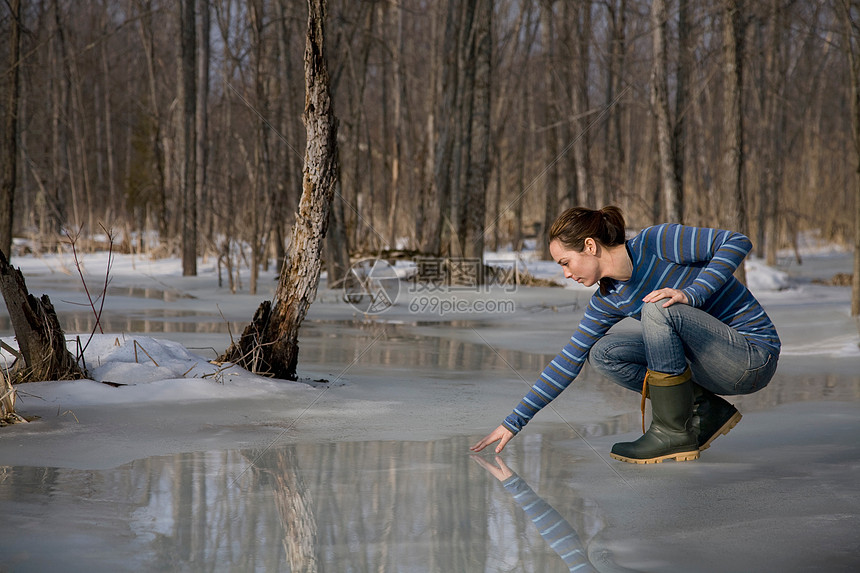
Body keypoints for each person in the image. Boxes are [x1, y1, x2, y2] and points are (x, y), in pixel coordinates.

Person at [471, 206, 780, 464]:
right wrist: (513, 422)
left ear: (590, 246)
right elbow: (567, 360)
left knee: (656, 308)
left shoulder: (656, 242)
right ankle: (703, 410)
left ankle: (672, 433)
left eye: (566, 262)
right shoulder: (608, 298)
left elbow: (736, 242)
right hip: (708, 364)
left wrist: (691, 294)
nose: (565, 273)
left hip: (751, 355)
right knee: (602, 353)